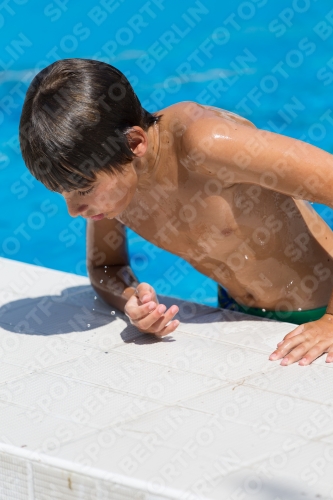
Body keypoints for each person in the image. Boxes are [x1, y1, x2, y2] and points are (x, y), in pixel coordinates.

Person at [19, 58, 333, 367]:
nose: (74, 210)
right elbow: (106, 265)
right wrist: (131, 302)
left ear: (134, 142)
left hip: (321, 308)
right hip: (239, 311)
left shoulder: (205, 145)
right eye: (64, 194)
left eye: (84, 189)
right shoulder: (116, 184)